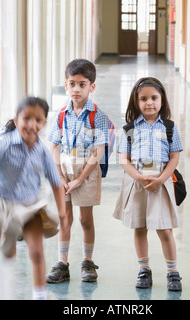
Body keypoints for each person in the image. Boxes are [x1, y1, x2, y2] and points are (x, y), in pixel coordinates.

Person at [0, 96, 66, 300]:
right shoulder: (1, 146)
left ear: (44, 123)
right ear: (17, 120)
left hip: (31, 205)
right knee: (8, 255)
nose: (32, 124)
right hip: (2, 205)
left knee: (37, 252)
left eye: (38, 120)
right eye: (27, 118)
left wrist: (63, 212)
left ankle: (39, 296)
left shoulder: (42, 151)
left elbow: (57, 183)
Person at [113, 77, 183, 291]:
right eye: (143, 99)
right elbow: (124, 159)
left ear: (162, 100)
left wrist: (161, 179)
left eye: (154, 98)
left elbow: (174, 158)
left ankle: (173, 272)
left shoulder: (170, 127)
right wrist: (139, 177)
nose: (149, 103)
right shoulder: (129, 129)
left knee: (165, 229)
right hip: (138, 182)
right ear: (136, 101)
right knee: (140, 227)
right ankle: (144, 269)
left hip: (161, 182)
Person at [46, 59, 111, 283]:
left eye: (82, 84)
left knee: (85, 219)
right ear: (66, 85)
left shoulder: (98, 116)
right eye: (72, 84)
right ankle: (62, 263)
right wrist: (61, 177)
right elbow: (54, 146)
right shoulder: (62, 114)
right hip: (63, 170)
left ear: (92, 86)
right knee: (65, 219)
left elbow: (98, 151)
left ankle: (88, 261)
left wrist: (80, 180)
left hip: (87, 171)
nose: (76, 89)